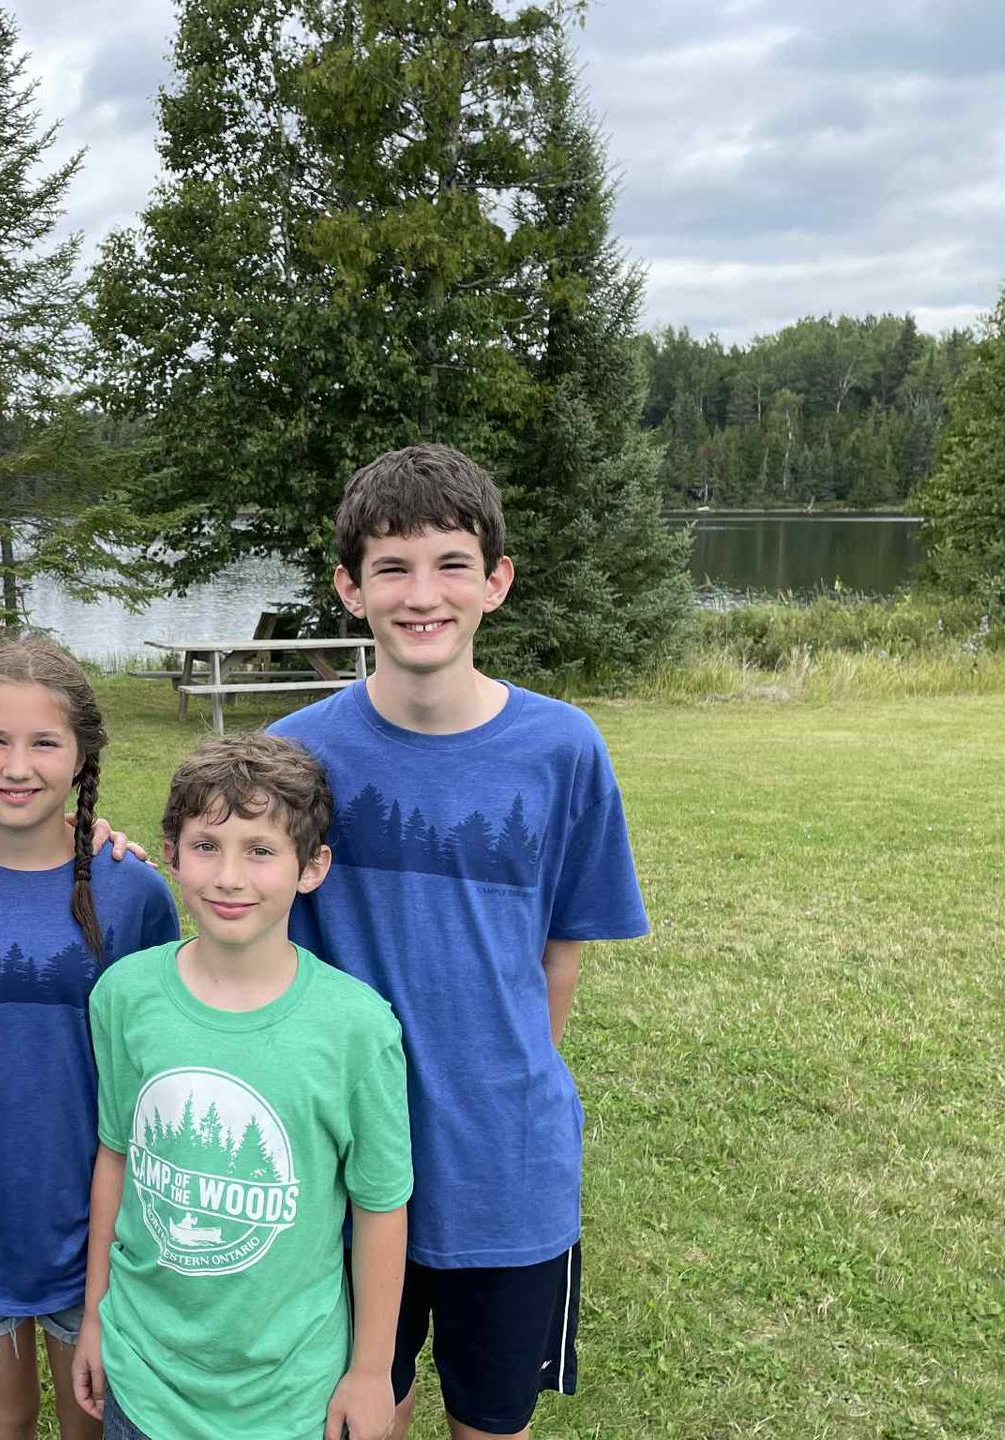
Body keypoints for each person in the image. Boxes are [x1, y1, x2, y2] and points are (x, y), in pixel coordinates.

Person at [268, 444, 650, 1440]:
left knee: (492, 1420)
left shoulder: (564, 748)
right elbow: (233, 895)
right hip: (343, 1168)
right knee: (356, 1412)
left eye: (450, 564)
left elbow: (562, 950)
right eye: (392, 568)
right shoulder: (294, 754)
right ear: (350, 589)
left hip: (505, 1172)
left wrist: (501, 1081)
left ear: (496, 581)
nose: (422, 594)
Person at [72, 735, 413, 1440]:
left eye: (260, 850)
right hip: (142, 1373)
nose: (229, 877)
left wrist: (371, 1371)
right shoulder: (124, 996)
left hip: (286, 1396)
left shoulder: (357, 1029)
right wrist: (96, 1316)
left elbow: (380, 1205)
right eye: (206, 846)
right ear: (171, 853)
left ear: (311, 867)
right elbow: (117, 1156)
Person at [0, 635, 178, 1440]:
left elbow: (159, 1062)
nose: (17, 767)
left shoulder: (134, 893)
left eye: (45, 743)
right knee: (0, 1430)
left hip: (100, 1227)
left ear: (83, 755)